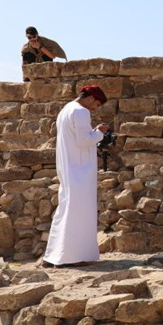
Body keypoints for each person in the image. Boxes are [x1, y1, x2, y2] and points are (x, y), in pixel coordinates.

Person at [42, 86, 110, 268]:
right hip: (79, 170)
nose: (94, 108)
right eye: (95, 104)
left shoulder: (66, 110)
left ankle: (53, 256)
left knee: (66, 210)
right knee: (79, 212)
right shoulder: (81, 112)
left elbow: (78, 137)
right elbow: (83, 141)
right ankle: (71, 257)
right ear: (89, 98)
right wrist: (100, 132)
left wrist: (93, 132)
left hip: (69, 168)